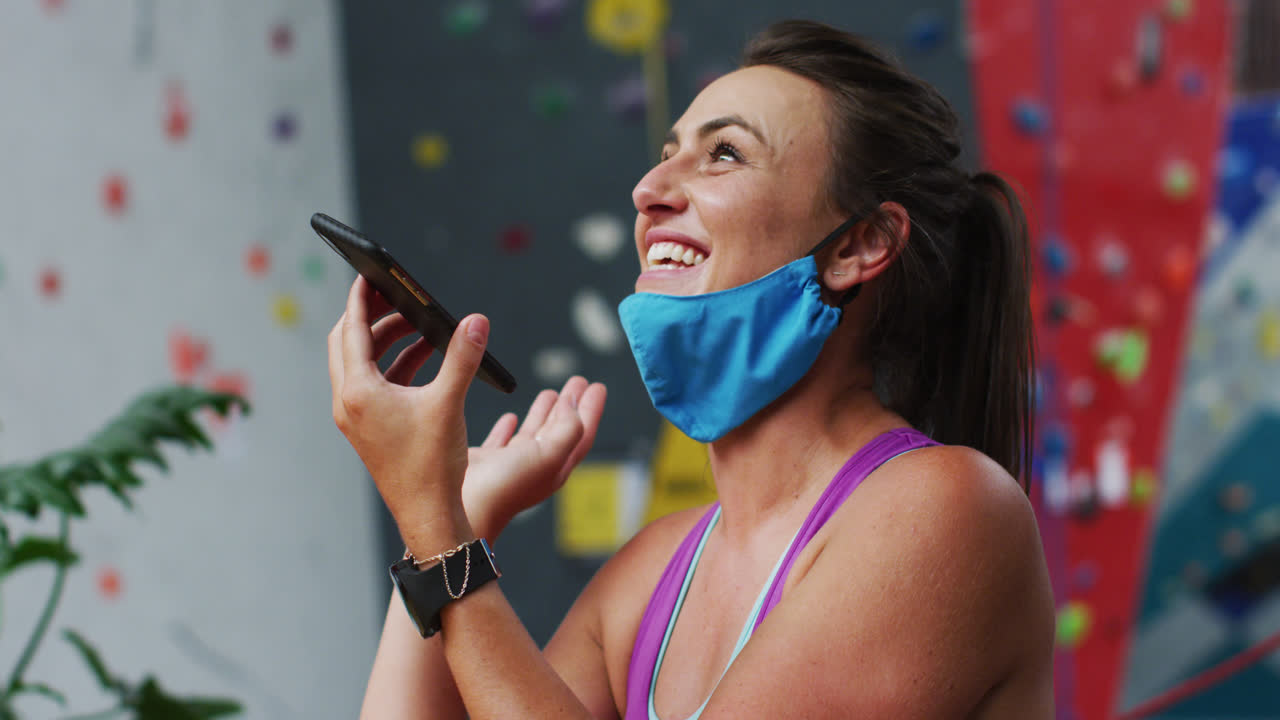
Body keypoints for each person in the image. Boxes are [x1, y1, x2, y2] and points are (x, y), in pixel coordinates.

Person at [329, 19, 1055, 720]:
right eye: (670, 150)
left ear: (857, 245)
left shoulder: (948, 513)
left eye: (725, 154)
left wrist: (441, 533)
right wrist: (453, 512)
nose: (650, 189)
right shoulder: (649, 576)